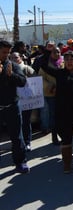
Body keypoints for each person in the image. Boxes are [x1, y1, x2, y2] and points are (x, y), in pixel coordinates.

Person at [40, 49, 73, 173]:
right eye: (66, 60)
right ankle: (67, 164)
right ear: (63, 62)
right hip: (64, 113)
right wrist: (48, 52)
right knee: (66, 139)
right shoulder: (60, 74)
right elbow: (43, 65)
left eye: (72, 59)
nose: (69, 62)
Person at [0, 41, 30, 174]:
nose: (6, 55)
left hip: (12, 107)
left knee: (17, 136)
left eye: (8, 52)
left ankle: (20, 161)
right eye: (3, 52)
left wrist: (10, 75)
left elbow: (23, 81)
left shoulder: (12, 65)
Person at [9, 52, 36, 151]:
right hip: (14, 101)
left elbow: (35, 80)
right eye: (12, 58)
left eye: (16, 57)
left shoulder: (26, 68)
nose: (14, 59)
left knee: (25, 122)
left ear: (20, 58)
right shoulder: (7, 69)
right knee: (15, 124)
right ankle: (18, 143)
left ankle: (27, 142)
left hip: (26, 100)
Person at [38, 44, 63, 145]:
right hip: (51, 94)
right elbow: (41, 78)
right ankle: (54, 135)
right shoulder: (45, 65)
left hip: (63, 94)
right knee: (53, 115)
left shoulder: (64, 63)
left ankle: (62, 133)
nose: (56, 54)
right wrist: (51, 87)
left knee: (62, 115)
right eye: (54, 52)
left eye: (58, 52)